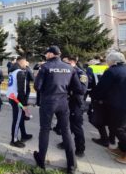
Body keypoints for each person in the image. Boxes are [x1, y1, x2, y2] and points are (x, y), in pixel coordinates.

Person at [33, 46, 85, 174]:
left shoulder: (45, 67)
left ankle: (41, 161)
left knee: (45, 130)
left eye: (46, 54)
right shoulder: (70, 68)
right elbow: (79, 88)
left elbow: (37, 87)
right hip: (63, 102)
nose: (45, 56)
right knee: (66, 131)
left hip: (48, 102)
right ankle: (71, 165)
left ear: (51, 54)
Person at [92, 51, 126, 164]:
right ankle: (122, 148)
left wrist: (94, 96)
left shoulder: (111, 72)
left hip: (119, 105)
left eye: (108, 61)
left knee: (117, 128)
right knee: (125, 128)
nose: (107, 63)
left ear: (112, 61)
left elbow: (101, 88)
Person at [56, 56, 88, 158]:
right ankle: (66, 143)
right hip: (66, 103)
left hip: (76, 104)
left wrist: (69, 88)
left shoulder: (80, 73)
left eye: (66, 62)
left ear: (73, 62)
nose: (64, 64)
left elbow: (82, 90)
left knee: (76, 127)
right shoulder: (67, 72)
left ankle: (80, 148)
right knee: (66, 125)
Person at [7, 56, 33, 148]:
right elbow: (21, 90)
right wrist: (24, 104)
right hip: (17, 100)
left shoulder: (12, 71)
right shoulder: (20, 72)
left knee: (20, 118)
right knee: (17, 119)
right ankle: (14, 140)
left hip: (12, 97)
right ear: (22, 62)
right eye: (26, 62)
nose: (26, 64)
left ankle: (24, 134)